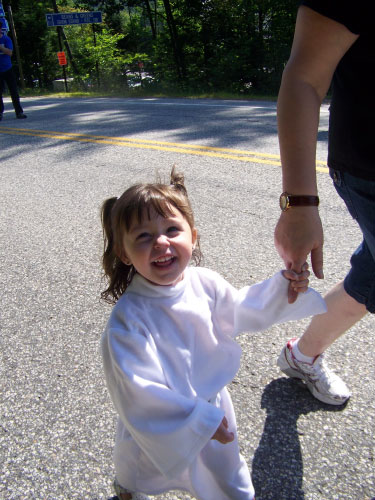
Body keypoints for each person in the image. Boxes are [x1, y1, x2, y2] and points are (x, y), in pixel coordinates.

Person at [100, 167, 326, 500]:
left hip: (211, 409)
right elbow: (137, 389)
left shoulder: (204, 283)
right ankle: (129, 488)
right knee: (141, 470)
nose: (161, 242)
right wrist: (196, 421)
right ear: (124, 253)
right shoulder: (128, 320)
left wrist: (284, 287)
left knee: (227, 477)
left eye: (171, 229)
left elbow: (241, 309)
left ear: (193, 236)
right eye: (143, 237)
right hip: (163, 422)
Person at [275, 1, 375, 406]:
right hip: (369, 167)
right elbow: (304, 77)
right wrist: (297, 204)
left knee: (371, 275)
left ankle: (301, 356)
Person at [0, 22, 26, 121]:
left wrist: (1, 47)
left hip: (7, 68)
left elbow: (10, 52)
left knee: (14, 91)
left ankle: (19, 112)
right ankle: (0, 113)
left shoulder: (6, 39)